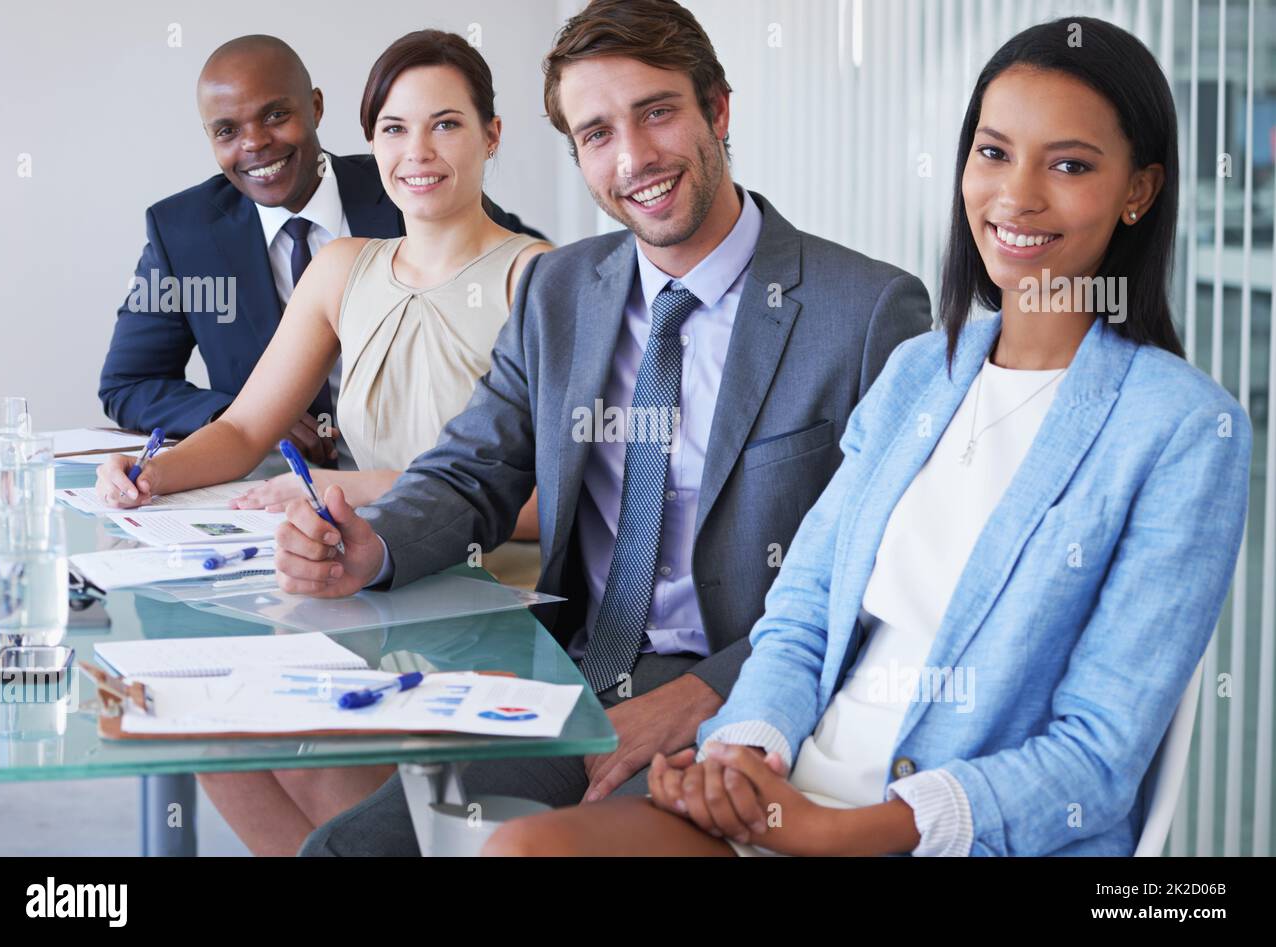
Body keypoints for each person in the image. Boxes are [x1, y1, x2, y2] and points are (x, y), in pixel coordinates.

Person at [481, 16, 1253, 857]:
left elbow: (1096, 755)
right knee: (521, 849)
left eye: (1069, 165)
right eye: (993, 153)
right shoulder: (923, 371)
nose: (1017, 195)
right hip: (789, 791)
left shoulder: (1181, 428)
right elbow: (803, 614)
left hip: (927, 830)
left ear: (1138, 190)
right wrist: (742, 759)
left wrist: (840, 830)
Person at [273, 0, 931, 856]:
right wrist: (377, 543)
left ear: (718, 111)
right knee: (344, 853)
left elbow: (890, 579)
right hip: (575, 677)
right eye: (595, 133)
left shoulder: (870, 311)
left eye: (657, 112)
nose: (633, 157)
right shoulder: (561, 291)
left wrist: (703, 693)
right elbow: (472, 471)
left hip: (754, 700)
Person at [96, 29, 553, 856]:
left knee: (308, 767)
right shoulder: (342, 266)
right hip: (361, 591)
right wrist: (150, 471)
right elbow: (239, 431)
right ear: (368, 140)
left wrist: (375, 487)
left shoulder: (541, 281)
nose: (417, 152)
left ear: (491, 133)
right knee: (191, 716)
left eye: (446, 125)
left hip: (488, 606)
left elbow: (554, 505)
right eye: (394, 129)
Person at [97, 34, 543, 471]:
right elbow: (135, 385)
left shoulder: (418, 189)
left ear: (315, 108)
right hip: (274, 476)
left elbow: (512, 267)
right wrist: (155, 469)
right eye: (228, 130)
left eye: (274, 115)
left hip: (434, 489)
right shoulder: (183, 232)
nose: (253, 143)